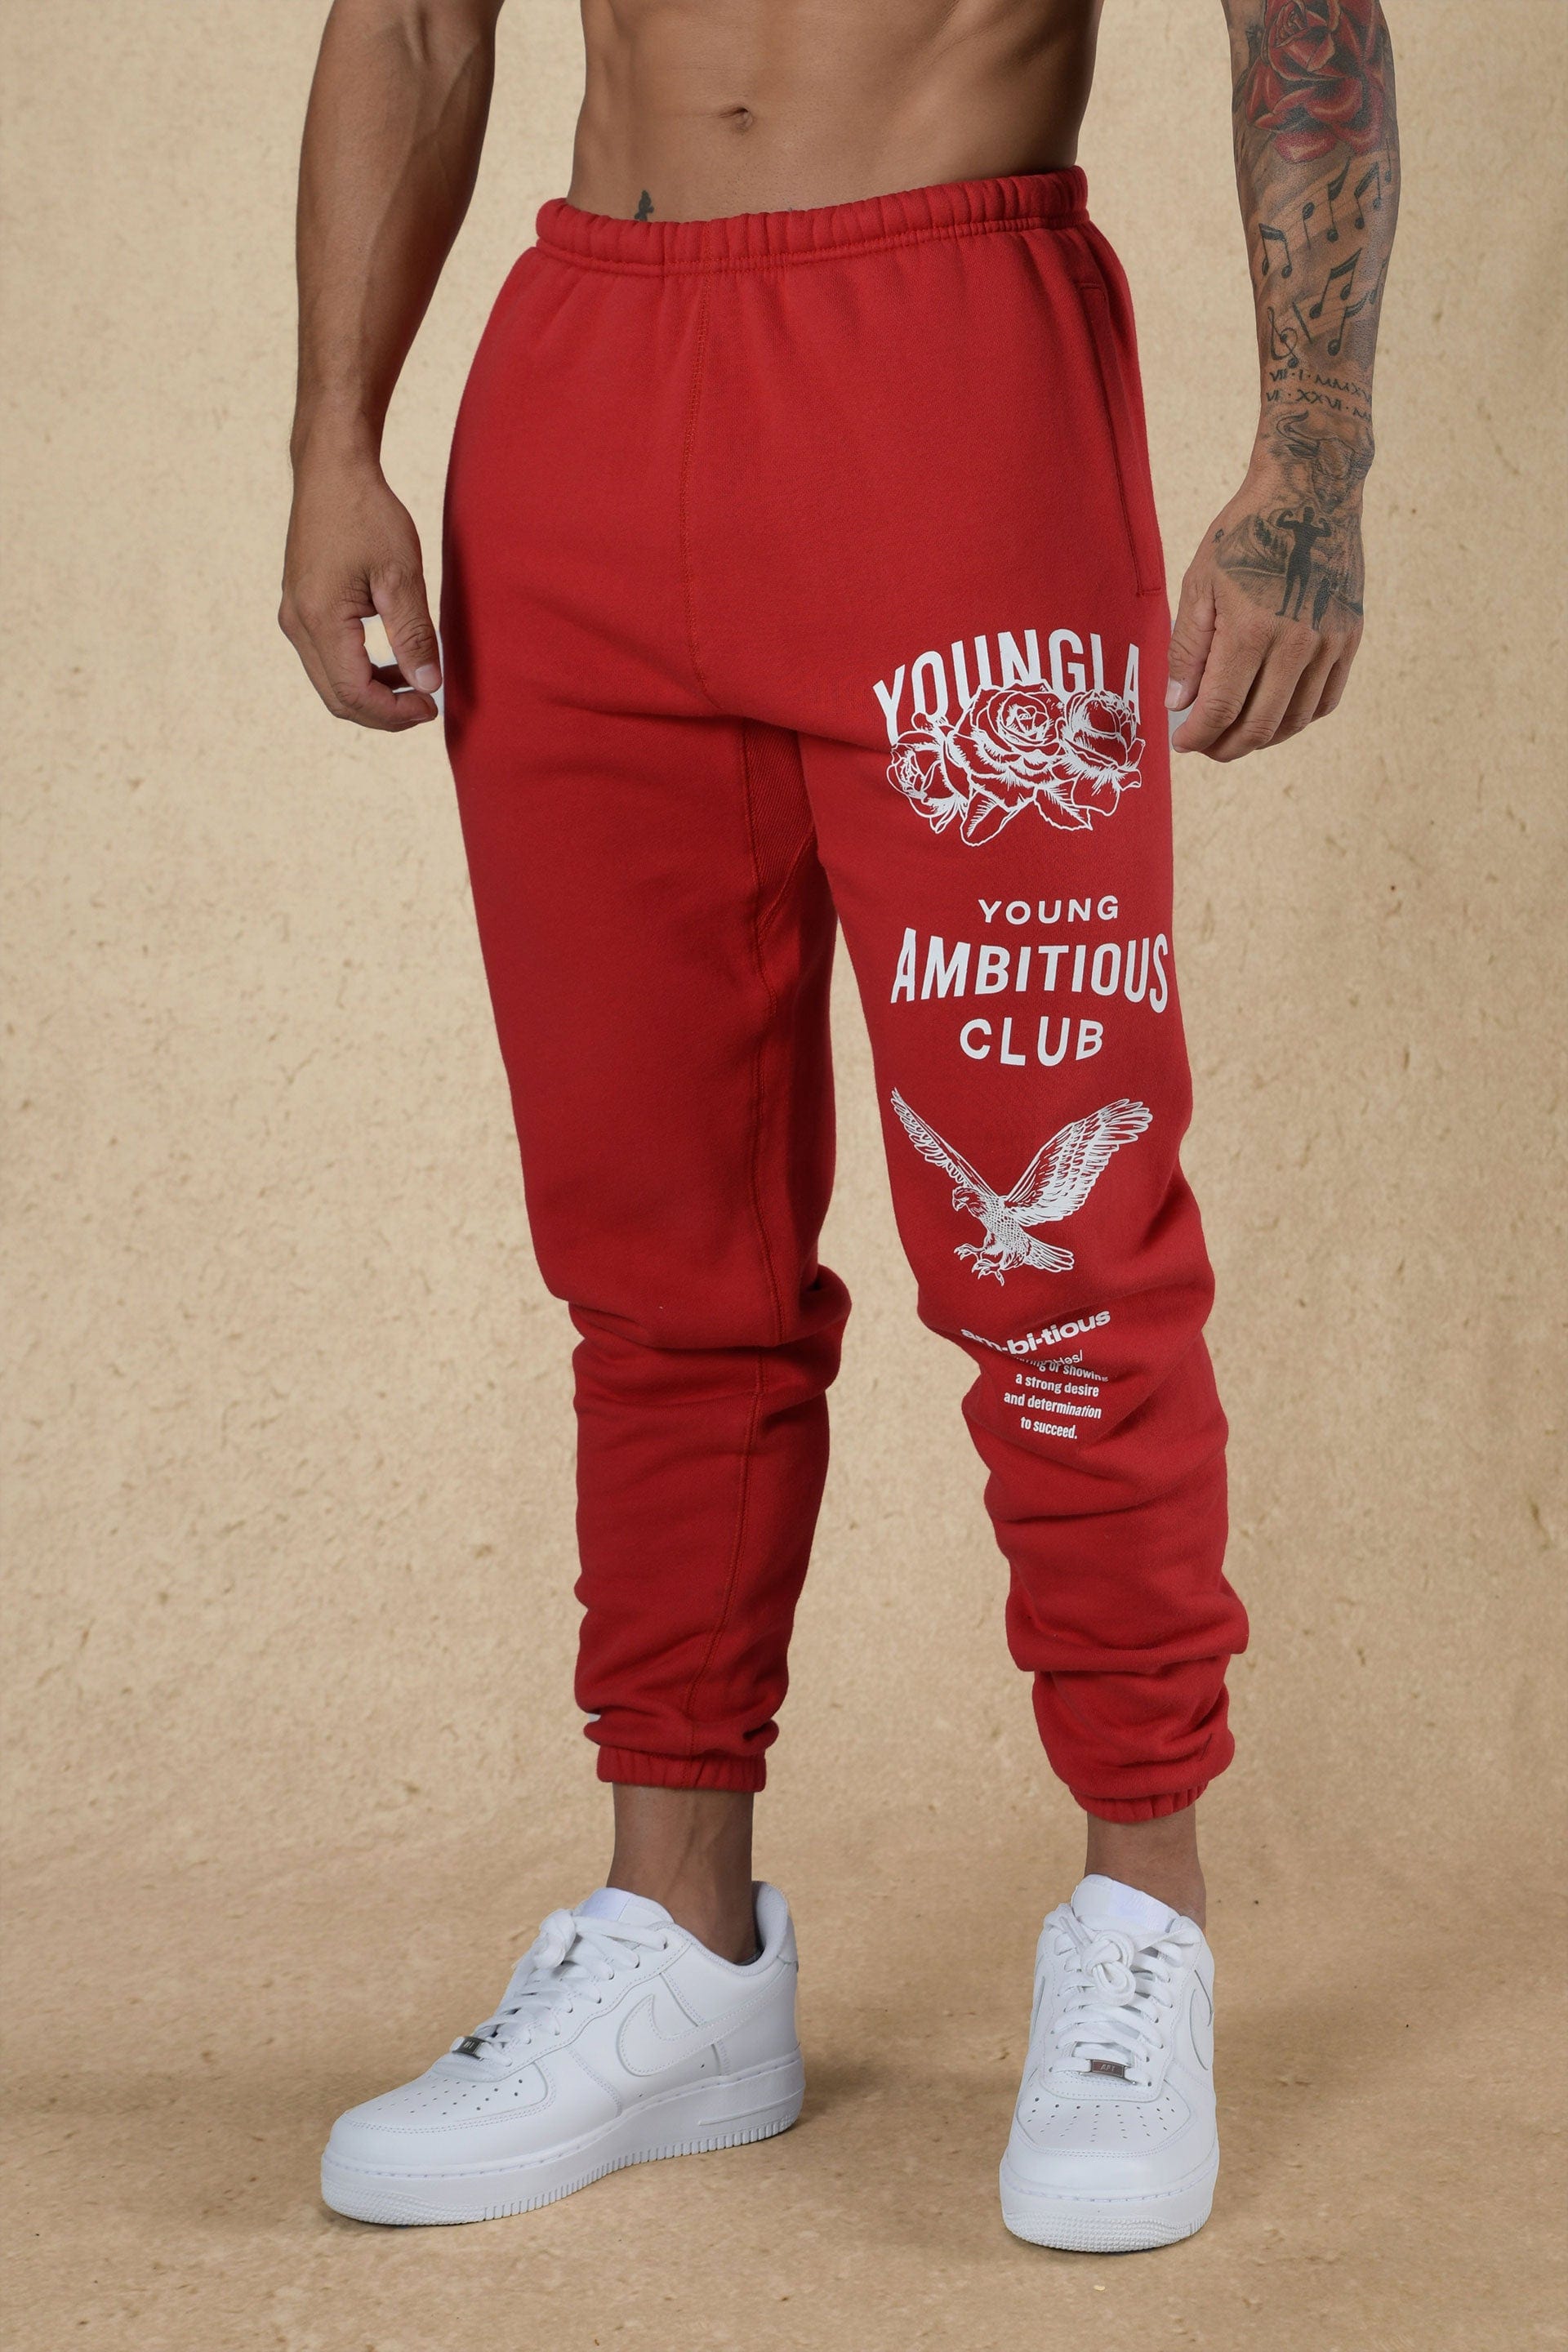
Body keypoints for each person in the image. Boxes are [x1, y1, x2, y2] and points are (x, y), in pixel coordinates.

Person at [281, 0, 1398, 2250]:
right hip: (586, 394)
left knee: (1056, 1242)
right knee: (652, 1246)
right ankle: (680, 1946)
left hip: (951, 378)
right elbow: (413, 14)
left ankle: (1143, 1917)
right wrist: (336, 436)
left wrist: (1313, 465)